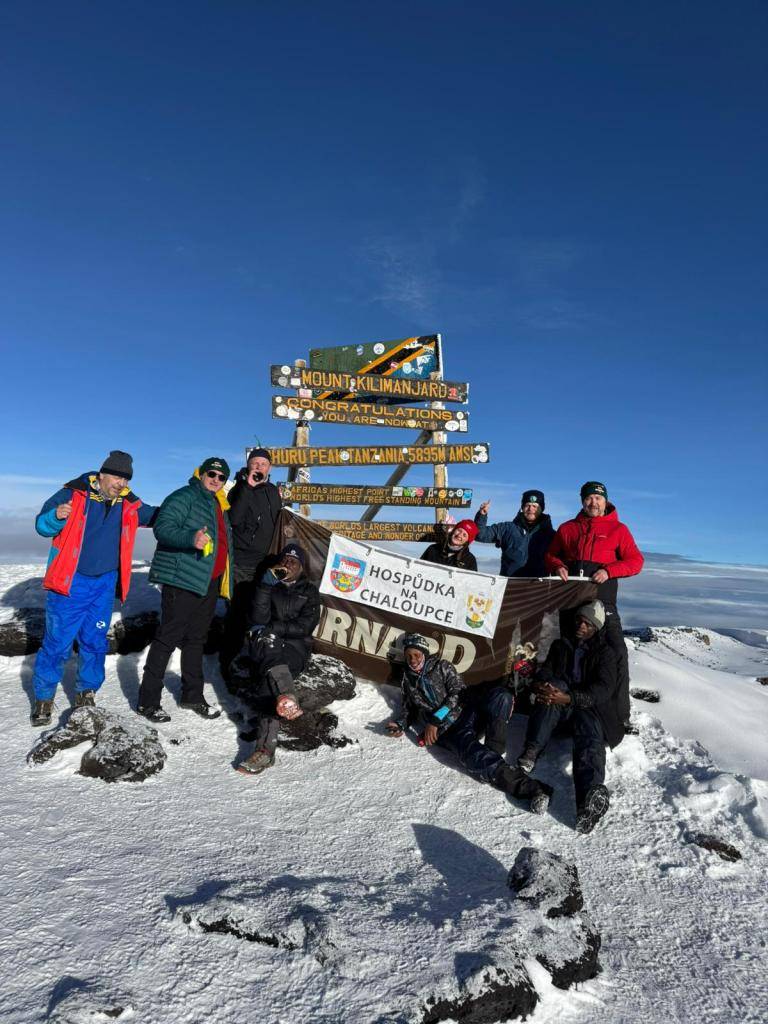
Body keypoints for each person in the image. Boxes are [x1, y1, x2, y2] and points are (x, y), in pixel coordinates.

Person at [30, 451, 157, 726]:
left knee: (95, 641)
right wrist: (56, 516)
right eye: (116, 476)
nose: (120, 483)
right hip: (70, 581)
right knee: (57, 643)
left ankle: (86, 692)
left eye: (125, 478)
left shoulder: (129, 503)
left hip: (104, 583)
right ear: (101, 475)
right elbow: (41, 524)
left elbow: (159, 516)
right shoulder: (73, 493)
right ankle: (43, 697)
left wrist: (187, 510)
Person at [385, 634, 552, 814]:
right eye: (409, 656)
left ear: (424, 653)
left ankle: (493, 752)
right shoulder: (407, 681)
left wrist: (436, 718)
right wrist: (399, 724)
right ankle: (532, 789)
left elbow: (457, 692)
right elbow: (408, 709)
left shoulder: (442, 667)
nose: (413, 660)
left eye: (417, 655)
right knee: (474, 755)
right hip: (447, 731)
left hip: (466, 712)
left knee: (501, 697)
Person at [137, 458, 233, 722]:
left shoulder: (218, 503)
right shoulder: (184, 496)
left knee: (196, 640)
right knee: (168, 637)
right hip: (182, 579)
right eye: (211, 474)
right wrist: (191, 538)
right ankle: (148, 701)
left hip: (208, 581)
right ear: (201, 474)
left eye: (221, 477)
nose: (215, 479)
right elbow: (163, 527)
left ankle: (192, 695)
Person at [515, 600, 622, 834]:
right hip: (558, 705)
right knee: (552, 688)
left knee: (589, 739)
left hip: (587, 707)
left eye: (587, 623)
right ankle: (532, 750)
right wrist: (543, 685)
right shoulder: (560, 645)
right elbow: (547, 671)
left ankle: (588, 801)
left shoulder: (605, 653)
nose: (581, 626)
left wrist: (570, 698)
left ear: (596, 627)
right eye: (579, 621)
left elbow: (603, 689)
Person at [544, 481, 644, 729]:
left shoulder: (619, 530)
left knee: (617, 653)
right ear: (582, 501)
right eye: (589, 498)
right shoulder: (568, 528)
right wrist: (557, 565)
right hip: (573, 602)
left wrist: (610, 571)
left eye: (598, 499)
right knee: (567, 654)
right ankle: (564, 709)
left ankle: (620, 716)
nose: (593, 503)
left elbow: (636, 561)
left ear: (605, 501)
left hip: (604, 600)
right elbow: (550, 555)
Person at [236, 543, 321, 775]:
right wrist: (264, 586)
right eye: (284, 560)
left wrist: (273, 627)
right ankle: (287, 697)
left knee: (269, 683)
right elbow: (257, 617)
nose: (287, 564)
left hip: (295, 649)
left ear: (301, 567)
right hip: (265, 645)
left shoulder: (310, 591)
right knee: (270, 658)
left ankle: (264, 752)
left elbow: (306, 626)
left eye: (293, 561)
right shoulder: (268, 584)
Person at [220, 447, 282, 679]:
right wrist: (248, 487)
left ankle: (254, 657)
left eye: (263, 464)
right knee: (238, 613)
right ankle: (228, 662)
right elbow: (233, 519)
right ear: (248, 465)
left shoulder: (273, 491)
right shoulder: (238, 489)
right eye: (254, 463)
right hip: (243, 561)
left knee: (261, 611)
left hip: (266, 561)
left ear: (269, 468)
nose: (258, 467)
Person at [473, 490, 555, 577]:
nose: (531, 509)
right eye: (527, 505)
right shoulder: (507, 528)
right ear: (522, 508)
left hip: (539, 586)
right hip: (510, 585)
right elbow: (480, 535)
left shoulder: (551, 535)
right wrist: (482, 515)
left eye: (535, 506)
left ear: (541, 509)